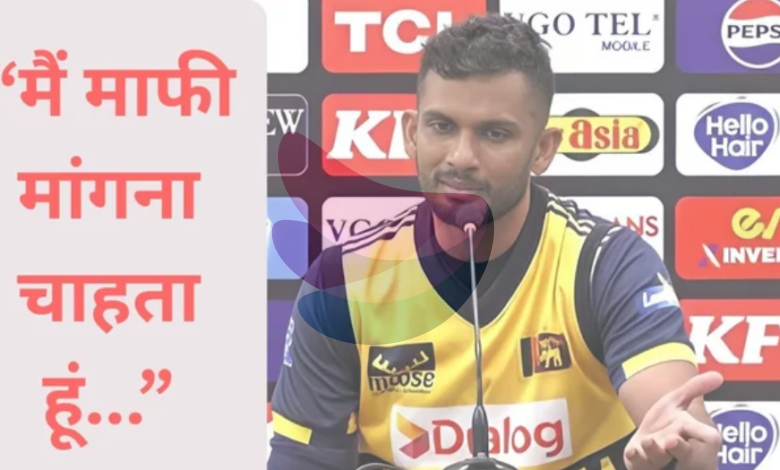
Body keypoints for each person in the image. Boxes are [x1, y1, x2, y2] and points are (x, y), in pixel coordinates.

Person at [268, 13, 722, 470]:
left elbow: (678, 429)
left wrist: (679, 453)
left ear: (543, 149)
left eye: (494, 133)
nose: (461, 157)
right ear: (411, 133)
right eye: (442, 126)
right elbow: (302, 461)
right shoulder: (343, 283)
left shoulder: (606, 263)